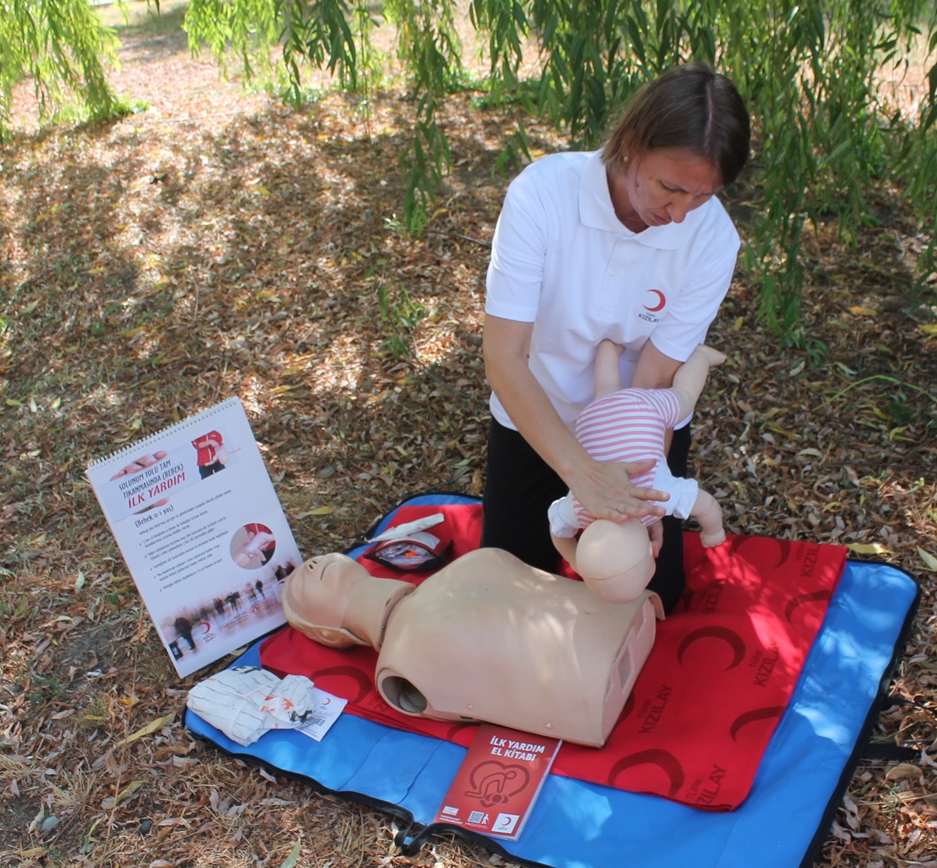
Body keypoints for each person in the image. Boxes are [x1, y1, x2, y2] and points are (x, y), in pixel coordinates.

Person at [481, 61, 750, 614]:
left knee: (653, 594)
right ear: (630, 143)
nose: (679, 215)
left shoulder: (713, 238)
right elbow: (504, 357)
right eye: (669, 187)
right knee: (508, 588)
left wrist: (642, 496)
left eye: (700, 196)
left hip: (634, 433)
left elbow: (654, 379)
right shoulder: (542, 195)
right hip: (538, 419)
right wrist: (582, 476)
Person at [280, 548, 660, 747]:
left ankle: (601, 640)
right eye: (301, 585)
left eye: (309, 565)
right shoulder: (400, 663)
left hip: (626, 617)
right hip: (595, 692)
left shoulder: (469, 565)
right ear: (327, 634)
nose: (310, 566)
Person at [550, 340, 728, 602]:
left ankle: (700, 357)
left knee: (685, 396)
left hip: (645, 409)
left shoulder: (659, 498)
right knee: (606, 391)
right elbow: (557, 532)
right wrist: (576, 561)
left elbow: (707, 505)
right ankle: (608, 350)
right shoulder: (580, 509)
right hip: (592, 420)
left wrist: (714, 531)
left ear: (649, 550)